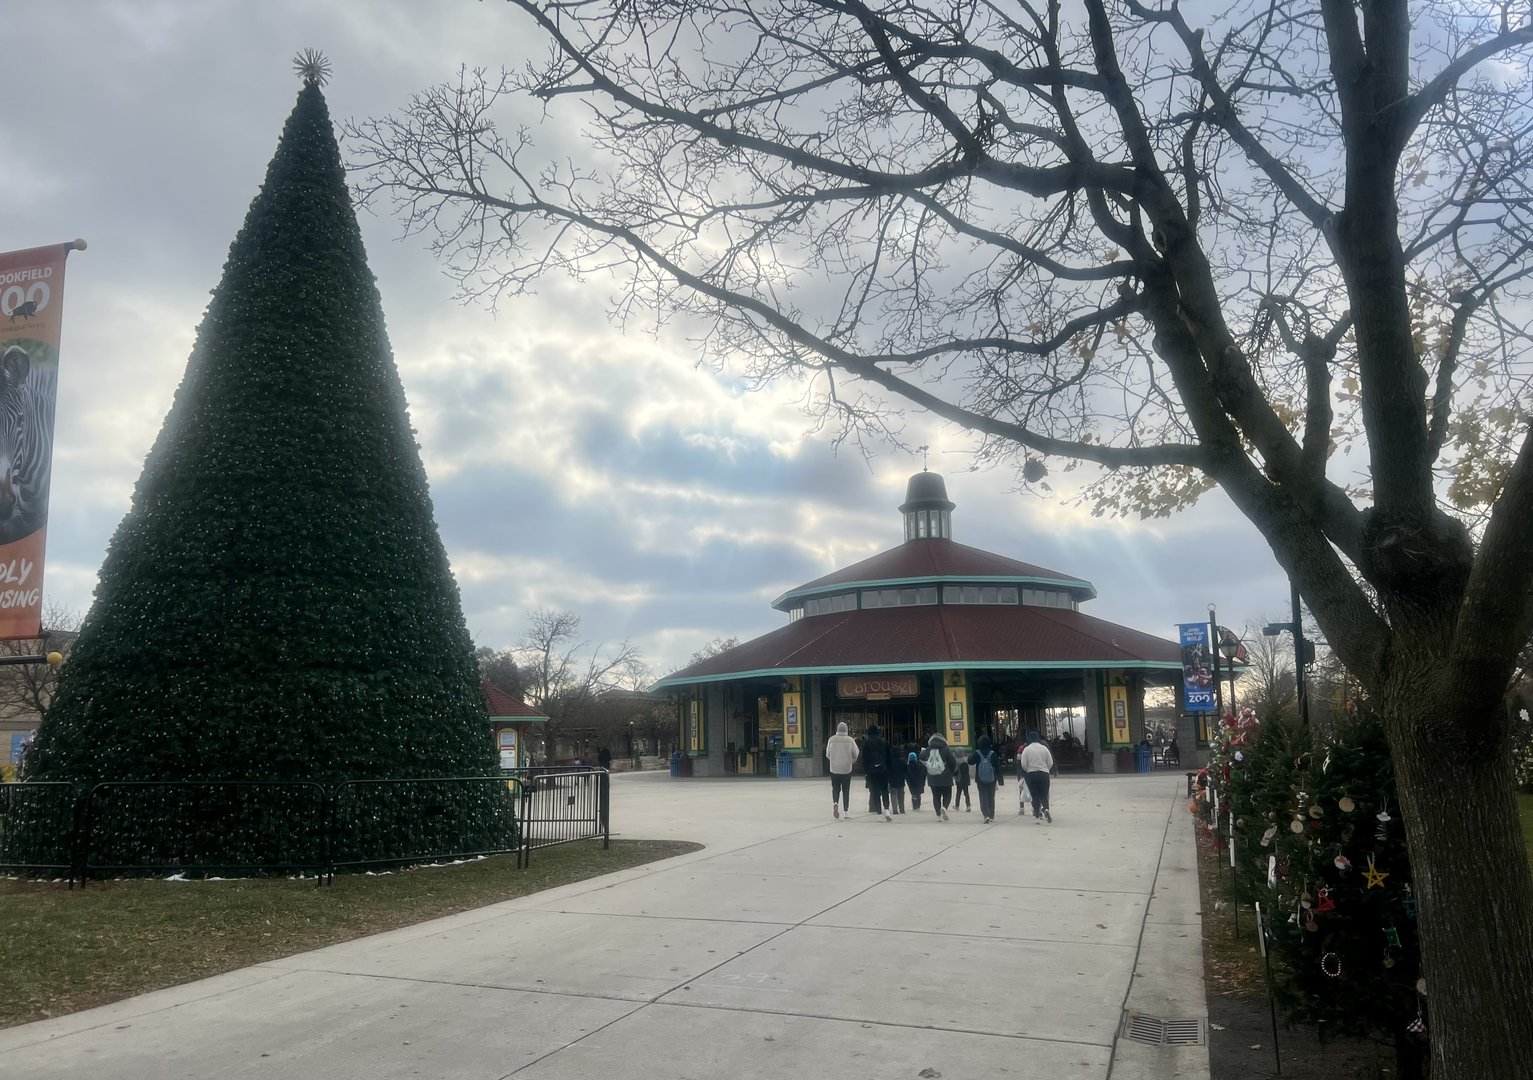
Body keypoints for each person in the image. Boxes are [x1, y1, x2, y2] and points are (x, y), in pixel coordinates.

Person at [825, 721, 860, 819]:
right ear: (846, 730)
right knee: (846, 790)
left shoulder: (831, 739)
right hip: (846, 769)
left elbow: (827, 754)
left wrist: (834, 760)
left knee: (835, 788)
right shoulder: (850, 740)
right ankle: (846, 812)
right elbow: (856, 753)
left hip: (834, 769)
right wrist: (852, 761)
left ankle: (835, 802)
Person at [1020, 730, 1054, 824]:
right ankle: (1046, 809)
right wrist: (1046, 769)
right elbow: (1050, 762)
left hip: (1032, 774)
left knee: (1034, 795)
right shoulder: (1044, 748)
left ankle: (1037, 815)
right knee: (1044, 794)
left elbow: (1023, 764)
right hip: (1044, 774)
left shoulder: (1027, 749)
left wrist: (1028, 770)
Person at [969, 735, 1003, 823]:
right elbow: (998, 767)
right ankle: (992, 815)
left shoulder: (977, 753)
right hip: (992, 778)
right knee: (991, 796)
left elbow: (970, 762)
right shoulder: (993, 753)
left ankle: (986, 814)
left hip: (980, 778)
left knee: (983, 796)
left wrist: (970, 755)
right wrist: (1000, 780)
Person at [922, 733, 958, 821]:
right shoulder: (946, 749)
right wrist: (952, 772)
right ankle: (944, 807)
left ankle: (938, 816)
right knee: (947, 794)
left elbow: (921, 757)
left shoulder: (928, 749)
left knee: (936, 796)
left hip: (932, 776)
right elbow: (953, 762)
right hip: (945, 776)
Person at [862, 724, 893, 821]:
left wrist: (866, 771)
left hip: (871, 770)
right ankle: (887, 809)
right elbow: (889, 757)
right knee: (884, 790)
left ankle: (879, 810)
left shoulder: (866, 743)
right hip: (883, 769)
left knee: (875, 791)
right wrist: (888, 768)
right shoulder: (884, 742)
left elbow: (864, 759)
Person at [887, 738, 907, 814]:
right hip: (901, 780)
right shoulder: (902, 761)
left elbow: (887, 770)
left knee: (893, 795)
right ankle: (902, 809)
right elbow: (906, 770)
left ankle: (895, 809)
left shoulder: (890, 761)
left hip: (892, 781)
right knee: (901, 795)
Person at [904, 746, 926, 811]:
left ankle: (914, 806)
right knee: (918, 794)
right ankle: (918, 805)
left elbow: (906, 776)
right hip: (919, 783)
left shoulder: (907, 766)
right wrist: (923, 783)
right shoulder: (920, 766)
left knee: (913, 794)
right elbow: (923, 775)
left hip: (911, 783)